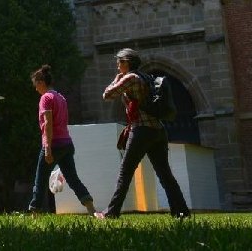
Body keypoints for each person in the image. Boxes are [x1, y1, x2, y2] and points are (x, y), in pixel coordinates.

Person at [94, 48, 191, 219]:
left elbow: (107, 95)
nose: (117, 65)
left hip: (141, 130)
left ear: (127, 63)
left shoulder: (130, 78)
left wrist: (117, 79)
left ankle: (111, 212)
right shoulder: (146, 77)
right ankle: (181, 211)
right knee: (165, 174)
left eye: (120, 61)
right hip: (158, 131)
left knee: (125, 172)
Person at [26, 64, 95, 215]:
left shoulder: (46, 98)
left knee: (40, 180)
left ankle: (34, 213)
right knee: (73, 179)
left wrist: (48, 148)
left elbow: (48, 124)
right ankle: (91, 208)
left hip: (54, 144)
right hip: (67, 144)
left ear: (41, 82)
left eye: (35, 84)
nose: (35, 88)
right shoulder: (61, 97)